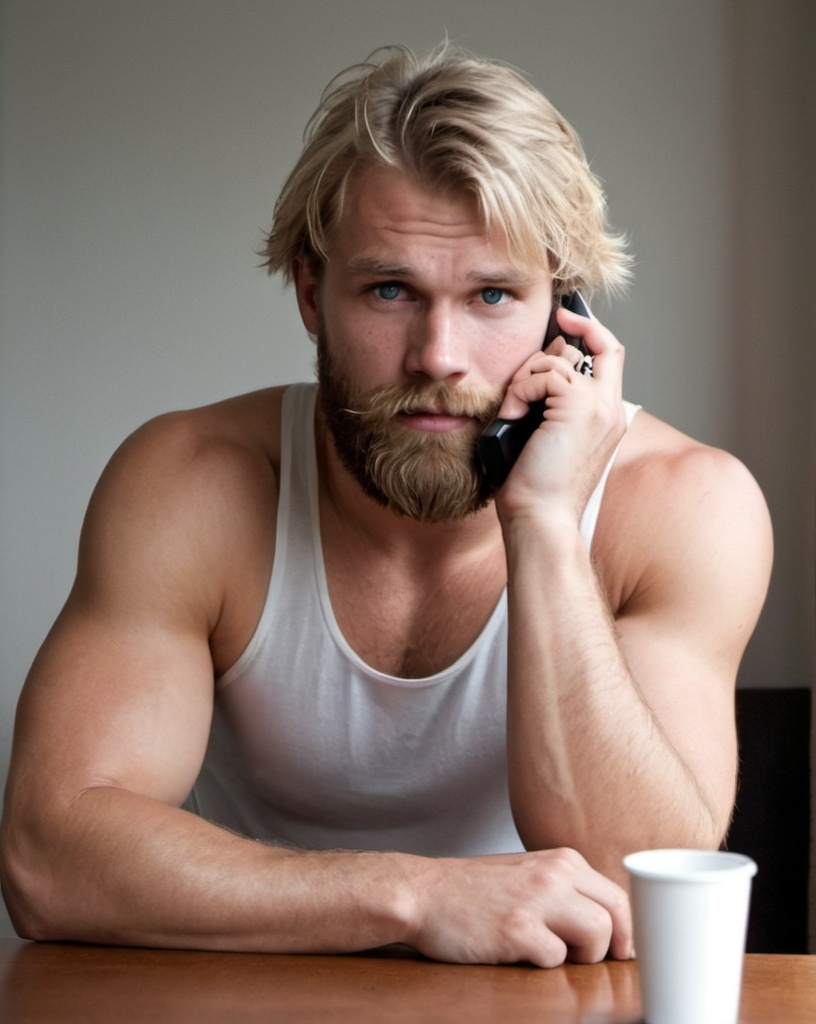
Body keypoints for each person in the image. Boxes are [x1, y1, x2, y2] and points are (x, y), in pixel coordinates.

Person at [0, 43, 771, 968]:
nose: (438, 356)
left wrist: (545, 527)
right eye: (391, 289)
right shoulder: (189, 484)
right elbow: (47, 859)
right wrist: (415, 896)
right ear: (311, 293)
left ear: (561, 315)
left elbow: (646, 899)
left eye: (492, 294)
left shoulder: (685, 506)